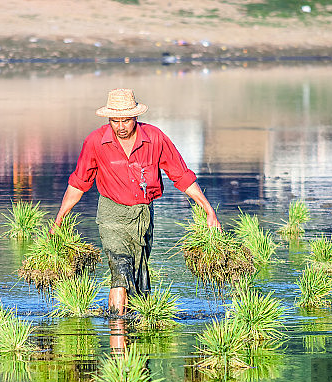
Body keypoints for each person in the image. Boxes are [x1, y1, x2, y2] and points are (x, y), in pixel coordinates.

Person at [52, 88, 221, 315]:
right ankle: (117, 333)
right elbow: (79, 182)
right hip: (111, 215)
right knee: (120, 271)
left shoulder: (155, 138)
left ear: (136, 118)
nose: (121, 126)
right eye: (115, 121)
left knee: (139, 278)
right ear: (109, 119)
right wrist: (59, 218)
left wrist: (209, 210)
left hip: (143, 216)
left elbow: (181, 175)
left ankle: (132, 333)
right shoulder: (95, 142)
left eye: (126, 120)